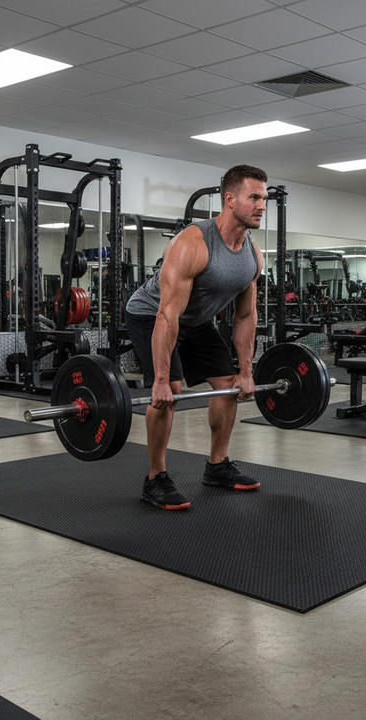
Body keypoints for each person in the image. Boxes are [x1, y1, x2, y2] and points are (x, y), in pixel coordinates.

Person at [124, 165, 267, 510]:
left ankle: (217, 466)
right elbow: (167, 314)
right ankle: (155, 478)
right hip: (150, 314)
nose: (262, 205)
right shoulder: (193, 243)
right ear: (230, 200)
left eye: (264, 198)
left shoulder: (252, 256)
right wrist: (160, 379)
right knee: (169, 392)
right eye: (254, 197)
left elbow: (246, 316)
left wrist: (246, 370)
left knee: (227, 384)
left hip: (197, 322)